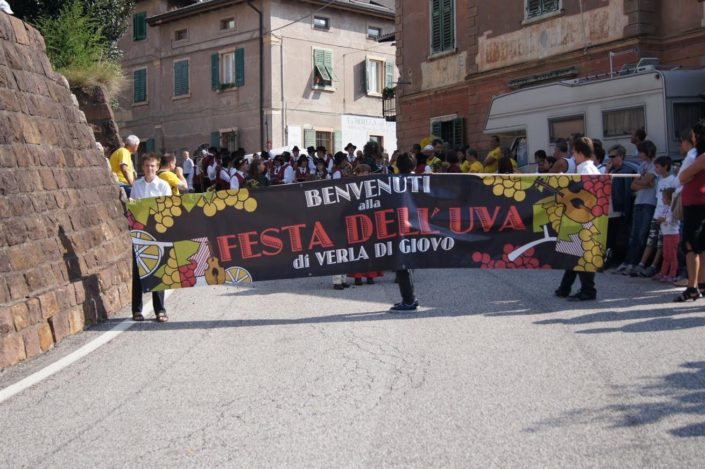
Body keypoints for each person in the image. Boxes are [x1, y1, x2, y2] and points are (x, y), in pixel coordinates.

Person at [555, 137, 600, 301]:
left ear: (580, 152)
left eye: (574, 152)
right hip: (583, 217)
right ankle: (564, 287)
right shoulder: (590, 169)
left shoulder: (586, 170)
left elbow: (586, 196)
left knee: (583, 255)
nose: (573, 156)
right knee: (574, 253)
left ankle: (588, 290)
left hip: (584, 218)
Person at [130, 153, 171, 322]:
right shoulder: (137, 185)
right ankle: (136, 310)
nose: (149, 169)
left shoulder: (163, 185)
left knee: (158, 272)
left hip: (157, 232)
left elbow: (168, 208)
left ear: (157, 167)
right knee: (138, 271)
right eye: (147, 165)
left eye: (152, 166)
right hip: (140, 232)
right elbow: (133, 207)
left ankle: (160, 310)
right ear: (142, 167)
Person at [615, 140, 658, 275]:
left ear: (647, 152)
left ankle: (636, 263)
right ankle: (628, 262)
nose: (639, 154)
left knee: (642, 234)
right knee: (634, 234)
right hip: (638, 201)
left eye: (641, 151)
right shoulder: (642, 165)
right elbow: (634, 185)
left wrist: (644, 183)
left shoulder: (654, 165)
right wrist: (645, 184)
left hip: (649, 202)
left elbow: (647, 181)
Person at [631, 156, 678, 278]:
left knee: (661, 243)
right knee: (651, 239)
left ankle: (654, 266)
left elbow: (674, 200)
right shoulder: (659, 180)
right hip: (657, 214)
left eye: (657, 167)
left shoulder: (673, 180)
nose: (655, 169)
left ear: (665, 166)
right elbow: (658, 198)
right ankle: (642, 264)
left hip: (665, 216)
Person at [674, 121, 705, 302]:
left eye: (694, 135)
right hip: (697, 202)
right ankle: (700, 285)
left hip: (696, 204)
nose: (692, 138)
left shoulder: (700, 156)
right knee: (700, 246)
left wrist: (689, 175)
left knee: (690, 246)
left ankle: (693, 287)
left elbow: (683, 176)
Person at [390, 152, 418, 312]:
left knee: (402, 264)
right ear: (413, 166)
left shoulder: (393, 182)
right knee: (408, 265)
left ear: (397, 166)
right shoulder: (422, 181)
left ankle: (409, 300)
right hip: (417, 226)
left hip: (401, 227)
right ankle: (410, 298)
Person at [605, 145, 636, 270]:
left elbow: (627, 193)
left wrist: (625, 210)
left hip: (618, 210)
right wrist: (607, 172)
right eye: (609, 156)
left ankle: (616, 260)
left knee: (614, 237)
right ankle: (608, 259)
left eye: (613, 156)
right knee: (608, 237)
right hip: (608, 209)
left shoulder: (626, 171)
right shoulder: (611, 170)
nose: (611, 159)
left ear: (621, 156)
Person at [654, 187, 679, 282]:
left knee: (672, 255)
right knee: (666, 255)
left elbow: (671, 219)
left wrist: (662, 220)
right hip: (666, 234)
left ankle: (672, 274)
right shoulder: (665, 208)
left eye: (664, 197)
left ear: (669, 198)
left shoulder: (673, 209)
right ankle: (663, 272)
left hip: (673, 235)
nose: (662, 199)